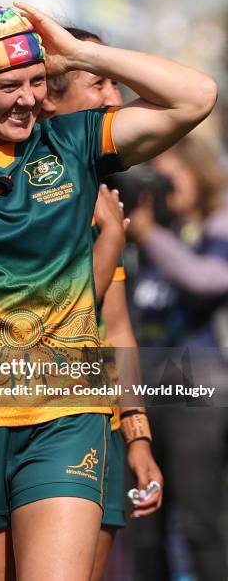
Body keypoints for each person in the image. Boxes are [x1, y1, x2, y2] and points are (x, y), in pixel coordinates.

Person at [0, 2, 216, 581]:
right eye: (9, 85)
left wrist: (78, 53)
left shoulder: (74, 144)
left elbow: (196, 96)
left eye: (36, 82)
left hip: (64, 414)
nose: (28, 99)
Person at [41, 26, 163, 581]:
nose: (115, 98)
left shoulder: (99, 193)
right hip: (20, 419)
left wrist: (136, 432)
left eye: (117, 82)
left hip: (100, 427)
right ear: (47, 97)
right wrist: (110, 243)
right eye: (99, 83)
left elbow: (114, 330)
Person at [128, 135, 228, 581]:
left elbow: (207, 279)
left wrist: (150, 235)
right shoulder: (143, 231)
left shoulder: (217, 225)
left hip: (196, 378)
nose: (163, 191)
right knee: (144, 527)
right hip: (140, 378)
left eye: (171, 179)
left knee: (198, 522)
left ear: (198, 173)